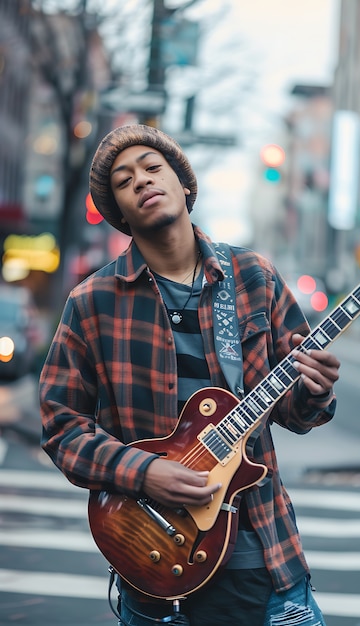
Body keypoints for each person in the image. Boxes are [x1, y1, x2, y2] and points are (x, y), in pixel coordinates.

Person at [39, 124, 340, 626]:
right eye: (123, 180)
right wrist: (144, 472)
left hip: (265, 564)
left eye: (153, 168)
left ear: (183, 183)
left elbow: (296, 413)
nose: (141, 181)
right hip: (155, 568)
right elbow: (59, 425)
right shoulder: (92, 303)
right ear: (117, 211)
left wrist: (316, 388)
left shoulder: (253, 277)